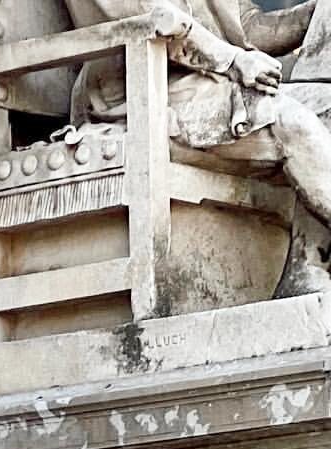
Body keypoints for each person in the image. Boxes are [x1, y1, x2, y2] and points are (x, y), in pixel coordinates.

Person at [68, 0, 331, 291]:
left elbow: (244, 27)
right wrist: (233, 60)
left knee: (327, 107)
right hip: (145, 88)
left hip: (214, 79)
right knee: (292, 123)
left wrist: (313, 15)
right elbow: (152, 18)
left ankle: (307, 272)